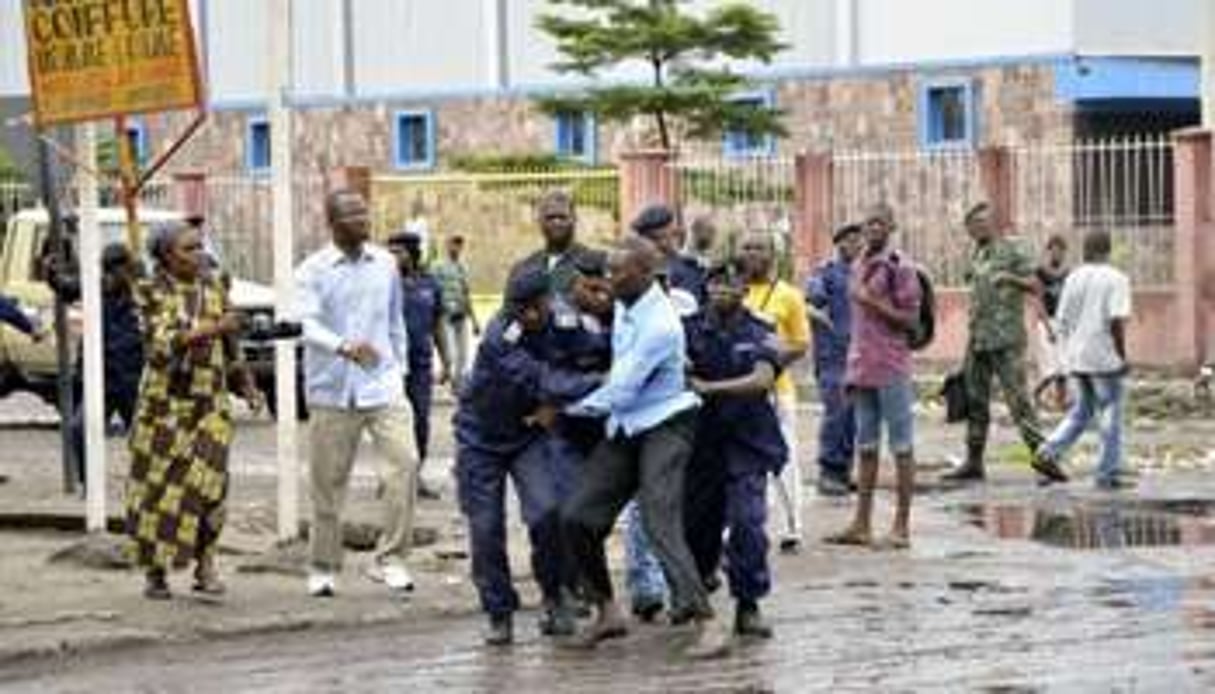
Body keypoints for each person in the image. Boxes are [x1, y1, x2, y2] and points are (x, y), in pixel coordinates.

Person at [561, 236, 728, 659]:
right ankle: (607, 611)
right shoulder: (626, 301)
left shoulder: (661, 325)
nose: (609, 279)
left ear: (643, 275)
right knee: (578, 517)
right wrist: (594, 301)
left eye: (618, 272)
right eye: (608, 271)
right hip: (628, 425)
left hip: (667, 423)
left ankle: (707, 620)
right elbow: (612, 315)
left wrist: (563, 407)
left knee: (658, 518)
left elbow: (620, 389)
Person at [453, 267, 600, 646]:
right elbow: (544, 380)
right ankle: (499, 612)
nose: (528, 317)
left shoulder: (567, 320)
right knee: (486, 528)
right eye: (520, 310)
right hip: (480, 437)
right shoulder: (500, 336)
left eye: (534, 309)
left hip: (527, 434)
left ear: (548, 301)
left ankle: (555, 597)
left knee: (547, 512)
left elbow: (598, 348)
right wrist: (599, 385)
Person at [124, 221, 262, 600]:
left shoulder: (215, 287)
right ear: (166, 255)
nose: (200, 254)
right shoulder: (149, 291)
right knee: (159, 491)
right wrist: (215, 327)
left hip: (210, 403)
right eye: (189, 248)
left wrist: (247, 385)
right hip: (163, 408)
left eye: (201, 246)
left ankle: (206, 564)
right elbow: (161, 345)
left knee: (211, 486)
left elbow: (232, 346)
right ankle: (156, 572)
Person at [295, 189, 418, 598]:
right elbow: (305, 324)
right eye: (351, 214)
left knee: (405, 464)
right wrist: (343, 346)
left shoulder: (385, 264)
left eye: (365, 211)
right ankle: (325, 565)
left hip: (382, 385)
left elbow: (394, 319)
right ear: (332, 222)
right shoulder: (312, 269)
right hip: (333, 389)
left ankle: (392, 558)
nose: (363, 219)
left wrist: (399, 369)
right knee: (328, 483)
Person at [683, 260, 787, 639]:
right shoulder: (686, 329)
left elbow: (762, 380)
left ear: (746, 290)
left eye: (732, 283)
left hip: (748, 442)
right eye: (715, 282)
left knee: (748, 522)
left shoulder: (763, 330)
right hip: (700, 444)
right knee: (698, 527)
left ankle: (748, 604)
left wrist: (711, 388)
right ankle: (697, 586)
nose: (722, 289)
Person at [823, 203, 920, 550]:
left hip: (892, 366)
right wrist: (851, 369)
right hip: (862, 367)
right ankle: (861, 524)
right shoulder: (859, 263)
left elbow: (910, 319)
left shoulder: (900, 267)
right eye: (869, 224)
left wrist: (872, 302)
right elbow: (858, 326)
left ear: (891, 226)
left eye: (880, 223)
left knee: (902, 447)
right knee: (865, 447)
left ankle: (901, 527)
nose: (873, 229)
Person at [942, 202, 1060, 484]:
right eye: (971, 226)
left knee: (1019, 401)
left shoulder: (1013, 248)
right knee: (975, 401)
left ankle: (1044, 459)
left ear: (992, 222)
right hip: (979, 338)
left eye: (981, 223)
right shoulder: (978, 252)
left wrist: (1011, 278)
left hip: (1006, 339)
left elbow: (1035, 285)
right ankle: (973, 462)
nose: (976, 229)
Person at [1036, 230, 1132, 489]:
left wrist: (1067, 353)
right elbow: (1116, 321)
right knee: (1111, 412)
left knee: (1082, 411)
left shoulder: (1073, 277)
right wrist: (1121, 356)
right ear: (1108, 250)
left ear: (1085, 251)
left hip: (1077, 358)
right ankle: (1107, 473)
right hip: (1104, 357)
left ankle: (1046, 453)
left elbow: (1062, 320)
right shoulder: (1116, 278)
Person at [739, 231, 811, 552]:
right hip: (737, 391)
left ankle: (791, 526)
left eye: (759, 248)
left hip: (776, 390)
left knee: (784, 456)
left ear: (773, 255)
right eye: (747, 247)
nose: (752, 253)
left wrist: (773, 360)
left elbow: (801, 343)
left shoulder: (788, 296)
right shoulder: (729, 289)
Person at [69, 244, 145, 490]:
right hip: (100, 380)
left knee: (144, 438)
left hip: (133, 381)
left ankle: (144, 485)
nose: (109, 276)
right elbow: (67, 287)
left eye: (115, 270)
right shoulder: (96, 289)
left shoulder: (142, 294)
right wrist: (52, 273)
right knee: (79, 429)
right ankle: (88, 484)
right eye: (106, 270)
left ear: (126, 269)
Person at [387, 230, 450, 501]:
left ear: (412, 253)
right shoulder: (384, 284)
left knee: (420, 422)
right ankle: (392, 480)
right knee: (391, 424)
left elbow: (438, 325)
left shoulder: (430, 284)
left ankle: (417, 476)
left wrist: (446, 361)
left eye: (397, 251)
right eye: (389, 251)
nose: (392, 256)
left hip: (420, 365)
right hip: (389, 366)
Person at [806, 223, 863, 496]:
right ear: (839, 243)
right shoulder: (824, 272)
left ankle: (844, 470)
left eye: (859, 241)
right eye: (851, 240)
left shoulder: (863, 271)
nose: (857, 245)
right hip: (832, 356)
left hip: (858, 355)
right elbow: (810, 302)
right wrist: (821, 318)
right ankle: (829, 471)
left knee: (853, 415)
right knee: (836, 413)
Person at [630, 203, 707, 309]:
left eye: (665, 236)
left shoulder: (686, 271)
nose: (661, 244)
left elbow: (687, 314)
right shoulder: (633, 269)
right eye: (652, 239)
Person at [433, 234, 480, 392]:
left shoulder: (463, 267)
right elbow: (434, 291)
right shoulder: (438, 266)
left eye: (459, 245)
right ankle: (447, 374)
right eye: (454, 244)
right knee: (450, 352)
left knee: (464, 354)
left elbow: (466, 294)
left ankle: (457, 383)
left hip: (461, 315)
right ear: (447, 245)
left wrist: (474, 321)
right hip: (445, 315)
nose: (457, 248)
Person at [1034, 235, 1070, 410]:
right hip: (1046, 321)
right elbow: (1038, 300)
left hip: (1063, 322)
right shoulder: (1040, 272)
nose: (1057, 254)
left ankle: (1060, 403)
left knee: (1064, 367)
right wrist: (1048, 328)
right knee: (1051, 369)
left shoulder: (1068, 274)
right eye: (1054, 250)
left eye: (1061, 250)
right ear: (1049, 251)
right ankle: (1035, 395)